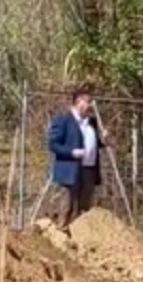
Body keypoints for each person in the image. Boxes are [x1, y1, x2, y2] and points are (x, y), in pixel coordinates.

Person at [47, 89, 107, 230]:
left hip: (88, 170)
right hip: (70, 171)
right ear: (78, 102)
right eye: (88, 101)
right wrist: (71, 152)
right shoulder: (63, 121)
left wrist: (104, 140)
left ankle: (79, 238)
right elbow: (53, 144)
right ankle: (60, 235)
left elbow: (93, 143)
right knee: (67, 206)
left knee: (84, 208)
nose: (91, 105)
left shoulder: (91, 122)